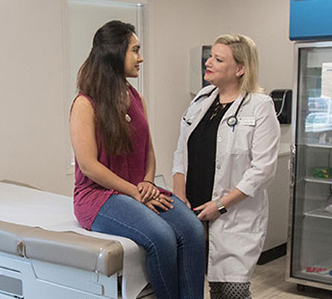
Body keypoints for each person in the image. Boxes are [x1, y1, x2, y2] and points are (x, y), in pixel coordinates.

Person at [70, 20, 205, 299]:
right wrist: (135, 192)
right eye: (135, 50)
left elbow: (149, 151)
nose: (140, 58)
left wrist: (146, 182)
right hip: (98, 197)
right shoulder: (85, 104)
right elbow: (88, 165)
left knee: (192, 229)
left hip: (138, 189)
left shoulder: (135, 97)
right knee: (162, 237)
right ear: (115, 52)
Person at [172, 34, 280, 299]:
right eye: (211, 56)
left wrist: (220, 205)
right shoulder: (202, 98)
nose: (208, 63)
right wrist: (178, 195)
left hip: (231, 216)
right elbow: (180, 152)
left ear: (240, 68)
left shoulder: (260, 106)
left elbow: (262, 169)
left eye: (218, 59)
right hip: (192, 211)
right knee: (196, 284)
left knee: (230, 290)